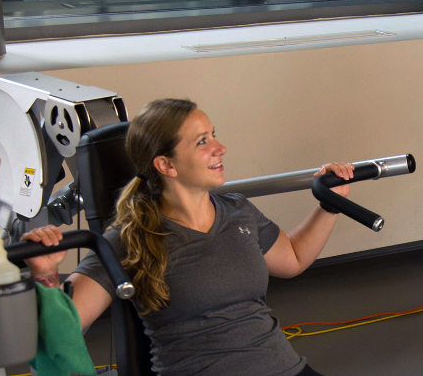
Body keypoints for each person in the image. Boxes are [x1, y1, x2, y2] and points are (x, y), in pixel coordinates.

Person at [22, 98, 353, 376]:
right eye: (202, 142)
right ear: (167, 165)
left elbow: (293, 257)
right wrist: (45, 273)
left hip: (286, 369)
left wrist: (330, 205)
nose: (220, 148)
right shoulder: (129, 239)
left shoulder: (238, 211)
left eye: (213, 135)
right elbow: (63, 331)